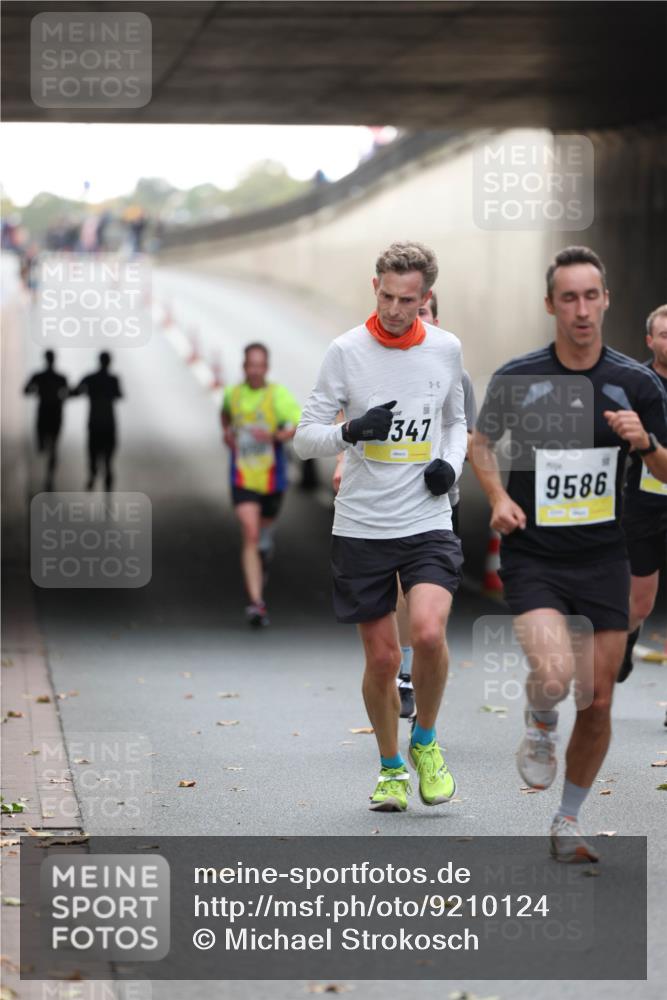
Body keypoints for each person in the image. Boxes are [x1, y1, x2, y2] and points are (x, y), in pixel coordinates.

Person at [471, 246, 667, 862]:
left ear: (606, 300)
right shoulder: (520, 377)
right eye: (569, 298)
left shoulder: (638, 384)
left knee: (600, 696)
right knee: (555, 675)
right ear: (551, 304)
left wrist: (648, 443)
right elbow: (481, 444)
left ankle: (567, 820)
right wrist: (498, 497)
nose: (581, 310)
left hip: (607, 555)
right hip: (535, 555)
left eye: (591, 296)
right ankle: (538, 718)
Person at [295, 241, 467, 812]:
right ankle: (391, 768)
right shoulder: (345, 351)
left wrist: (449, 463)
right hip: (363, 526)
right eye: (387, 296)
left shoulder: (445, 349)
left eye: (408, 300)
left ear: (427, 298)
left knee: (427, 633)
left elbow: (455, 421)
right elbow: (304, 437)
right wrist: (351, 431)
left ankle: (425, 741)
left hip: (426, 519)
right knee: (383, 661)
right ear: (375, 287)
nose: (395, 310)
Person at [331, 290, 477, 720]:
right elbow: (352, 426)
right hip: (384, 508)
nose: (415, 320)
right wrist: (342, 460)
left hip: (438, 503)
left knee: (429, 614)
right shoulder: (370, 363)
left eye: (423, 312)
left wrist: (451, 468)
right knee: (396, 594)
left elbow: (462, 431)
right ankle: (405, 673)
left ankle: (419, 669)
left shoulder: (453, 368)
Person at [221, 343, 301, 627]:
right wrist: (226, 435)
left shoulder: (277, 395)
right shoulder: (234, 394)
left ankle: (265, 551)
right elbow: (225, 414)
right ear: (244, 366)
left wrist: (281, 435)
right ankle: (256, 603)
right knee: (250, 533)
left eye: (260, 365)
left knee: (263, 539)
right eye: (250, 365)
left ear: (266, 367)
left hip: (272, 478)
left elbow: (297, 423)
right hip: (242, 477)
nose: (255, 370)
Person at [617, 304, 667, 684]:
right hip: (645, 504)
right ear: (650, 341)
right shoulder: (636, 384)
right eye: (664, 335)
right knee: (640, 604)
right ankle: (627, 638)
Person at [71, 352, 123, 491]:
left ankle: (93, 474)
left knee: (92, 452)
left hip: (94, 422)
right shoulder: (113, 379)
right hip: (108, 423)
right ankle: (106, 478)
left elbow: (75, 392)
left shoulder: (90, 378)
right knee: (108, 458)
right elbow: (120, 395)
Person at [23, 350, 68, 490]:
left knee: (47, 447)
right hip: (53, 413)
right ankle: (49, 477)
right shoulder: (59, 378)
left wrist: (37, 391)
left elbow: (26, 390)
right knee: (49, 447)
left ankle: (49, 478)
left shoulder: (40, 376)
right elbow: (69, 393)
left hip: (47, 413)